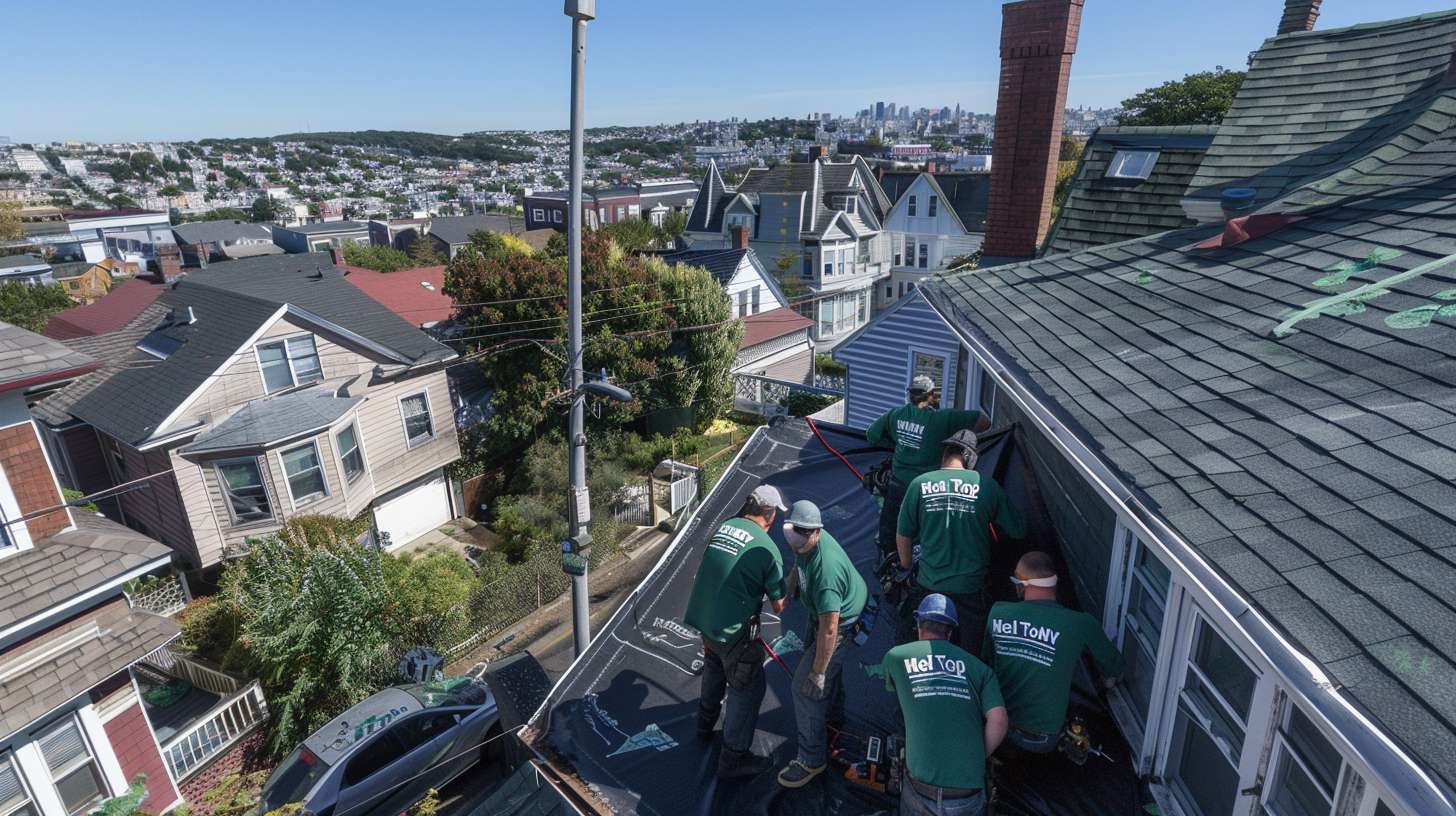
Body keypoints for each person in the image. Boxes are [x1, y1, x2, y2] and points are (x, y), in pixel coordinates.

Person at [684, 484, 790, 779]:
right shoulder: (767, 549)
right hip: (735, 633)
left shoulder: (725, 527)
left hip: (706, 622)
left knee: (714, 668)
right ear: (770, 514)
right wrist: (794, 580)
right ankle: (733, 759)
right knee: (748, 687)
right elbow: (779, 605)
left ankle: (704, 727)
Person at [895, 429, 1024, 650]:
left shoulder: (919, 483)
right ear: (970, 458)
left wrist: (906, 565)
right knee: (970, 653)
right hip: (971, 588)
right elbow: (1018, 530)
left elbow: (903, 534)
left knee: (928, 651)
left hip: (930, 585)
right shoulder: (987, 486)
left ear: (945, 453)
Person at [983, 551, 1123, 754]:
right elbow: (1115, 669)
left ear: (1021, 584)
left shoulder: (998, 612)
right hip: (1043, 741)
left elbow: (986, 666)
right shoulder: (1080, 623)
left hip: (997, 732)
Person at [883, 594, 1007, 816]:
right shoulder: (981, 669)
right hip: (966, 796)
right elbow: (999, 720)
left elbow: (895, 692)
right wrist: (976, 757)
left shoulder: (896, 657)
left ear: (919, 626)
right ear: (950, 633)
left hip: (921, 791)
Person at [775, 500, 869, 788]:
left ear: (816, 532)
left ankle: (811, 759)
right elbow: (798, 564)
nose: (795, 541)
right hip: (824, 612)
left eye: (801, 536)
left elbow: (829, 631)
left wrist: (817, 673)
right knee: (827, 676)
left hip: (840, 623)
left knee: (806, 690)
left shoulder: (827, 572)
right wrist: (788, 588)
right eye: (793, 533)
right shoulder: (805, 541)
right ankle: (833, 716)